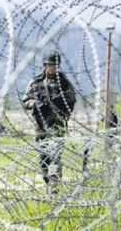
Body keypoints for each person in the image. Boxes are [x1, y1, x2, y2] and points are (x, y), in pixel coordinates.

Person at [22, 50, 76, 195]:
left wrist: (62, 112)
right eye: (49, 65)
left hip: (57, 125)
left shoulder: (64, 83)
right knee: (43, 159)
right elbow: (24, 101)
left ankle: (54, 188)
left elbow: (71, 102)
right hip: (40, 125)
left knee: (56, 156)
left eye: (55, 65)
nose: (52, 68)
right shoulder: (35, 82)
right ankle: (48, 181)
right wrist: (36, 104)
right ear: (44, 66)